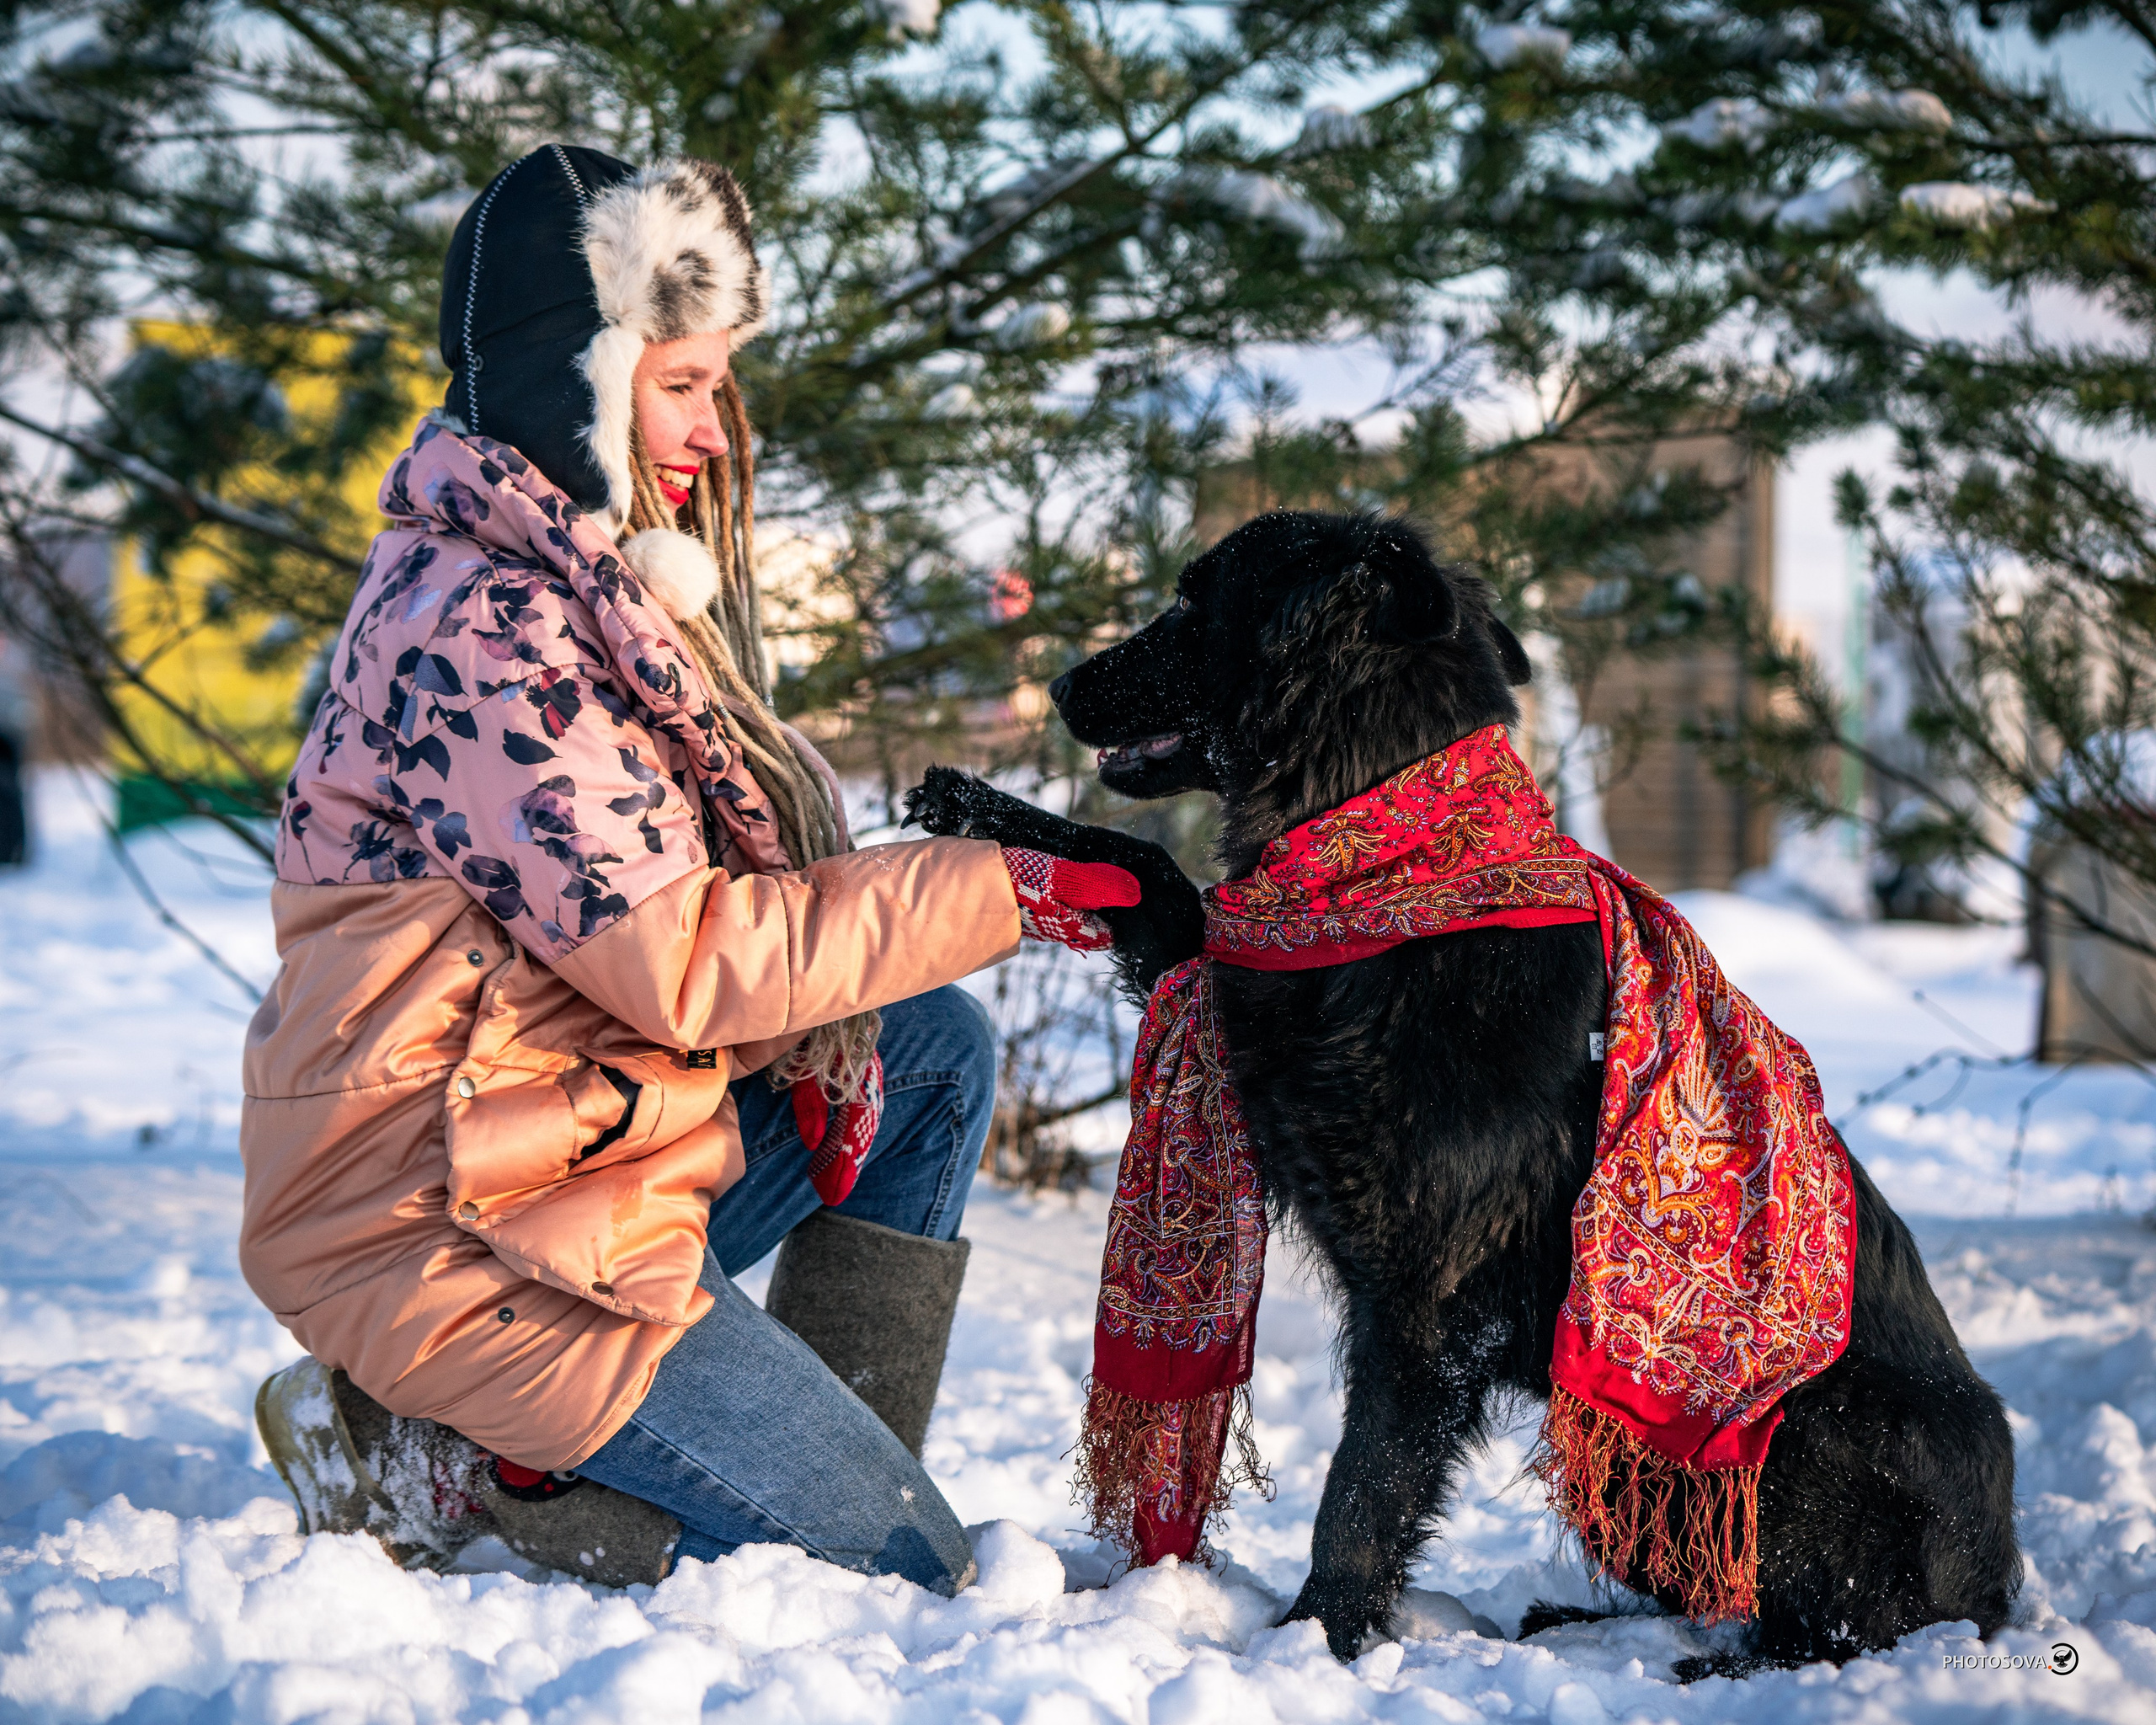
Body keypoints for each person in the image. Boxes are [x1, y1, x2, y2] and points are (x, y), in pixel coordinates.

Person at [243, 145, 1134, 1593]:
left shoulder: (577, 586)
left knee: (920, 1049)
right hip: (450, 1232)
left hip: (562, 1157)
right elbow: (683, 958)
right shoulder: (487, 633)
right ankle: (435, 1463)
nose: (715, 430)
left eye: (718, 383)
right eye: (682, 383)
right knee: (908, 1561)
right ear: (574, 381)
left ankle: (813, 1473)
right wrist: (1007, 889)